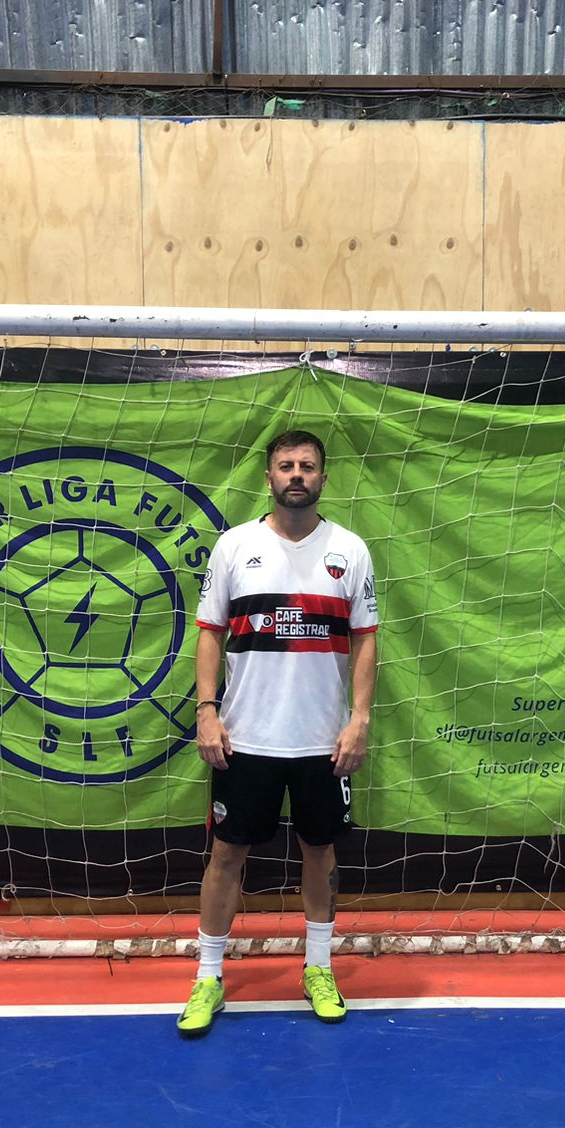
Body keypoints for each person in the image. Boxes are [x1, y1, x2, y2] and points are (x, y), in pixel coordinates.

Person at [177, 429, 378, 1037]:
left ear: (323, 478)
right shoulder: (234, 546)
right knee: (226, 854)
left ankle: (319, 968)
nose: (296, 474)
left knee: (321, 852)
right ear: (269, 477)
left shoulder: (351, 550)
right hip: (245, 738)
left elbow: (366, 640)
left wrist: (360, 719)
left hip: (323, 741)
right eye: (286, 465)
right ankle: (208, 977)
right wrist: (206, 710)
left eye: (307, 466)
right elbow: (209, 633)